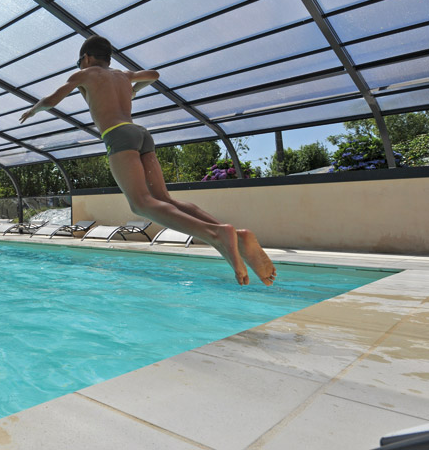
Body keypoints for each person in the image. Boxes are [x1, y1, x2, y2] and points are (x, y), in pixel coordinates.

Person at [19, 35, 276, 286]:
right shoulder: (122, 75)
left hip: (118, 136)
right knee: (164, 199)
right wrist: (132, 91)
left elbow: (51, 100)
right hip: (141, 135)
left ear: (85, 58)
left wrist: (34, 109)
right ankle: (234, 237)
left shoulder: (84, 74)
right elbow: (154, 75)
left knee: (141, 204)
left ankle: (217, 234)